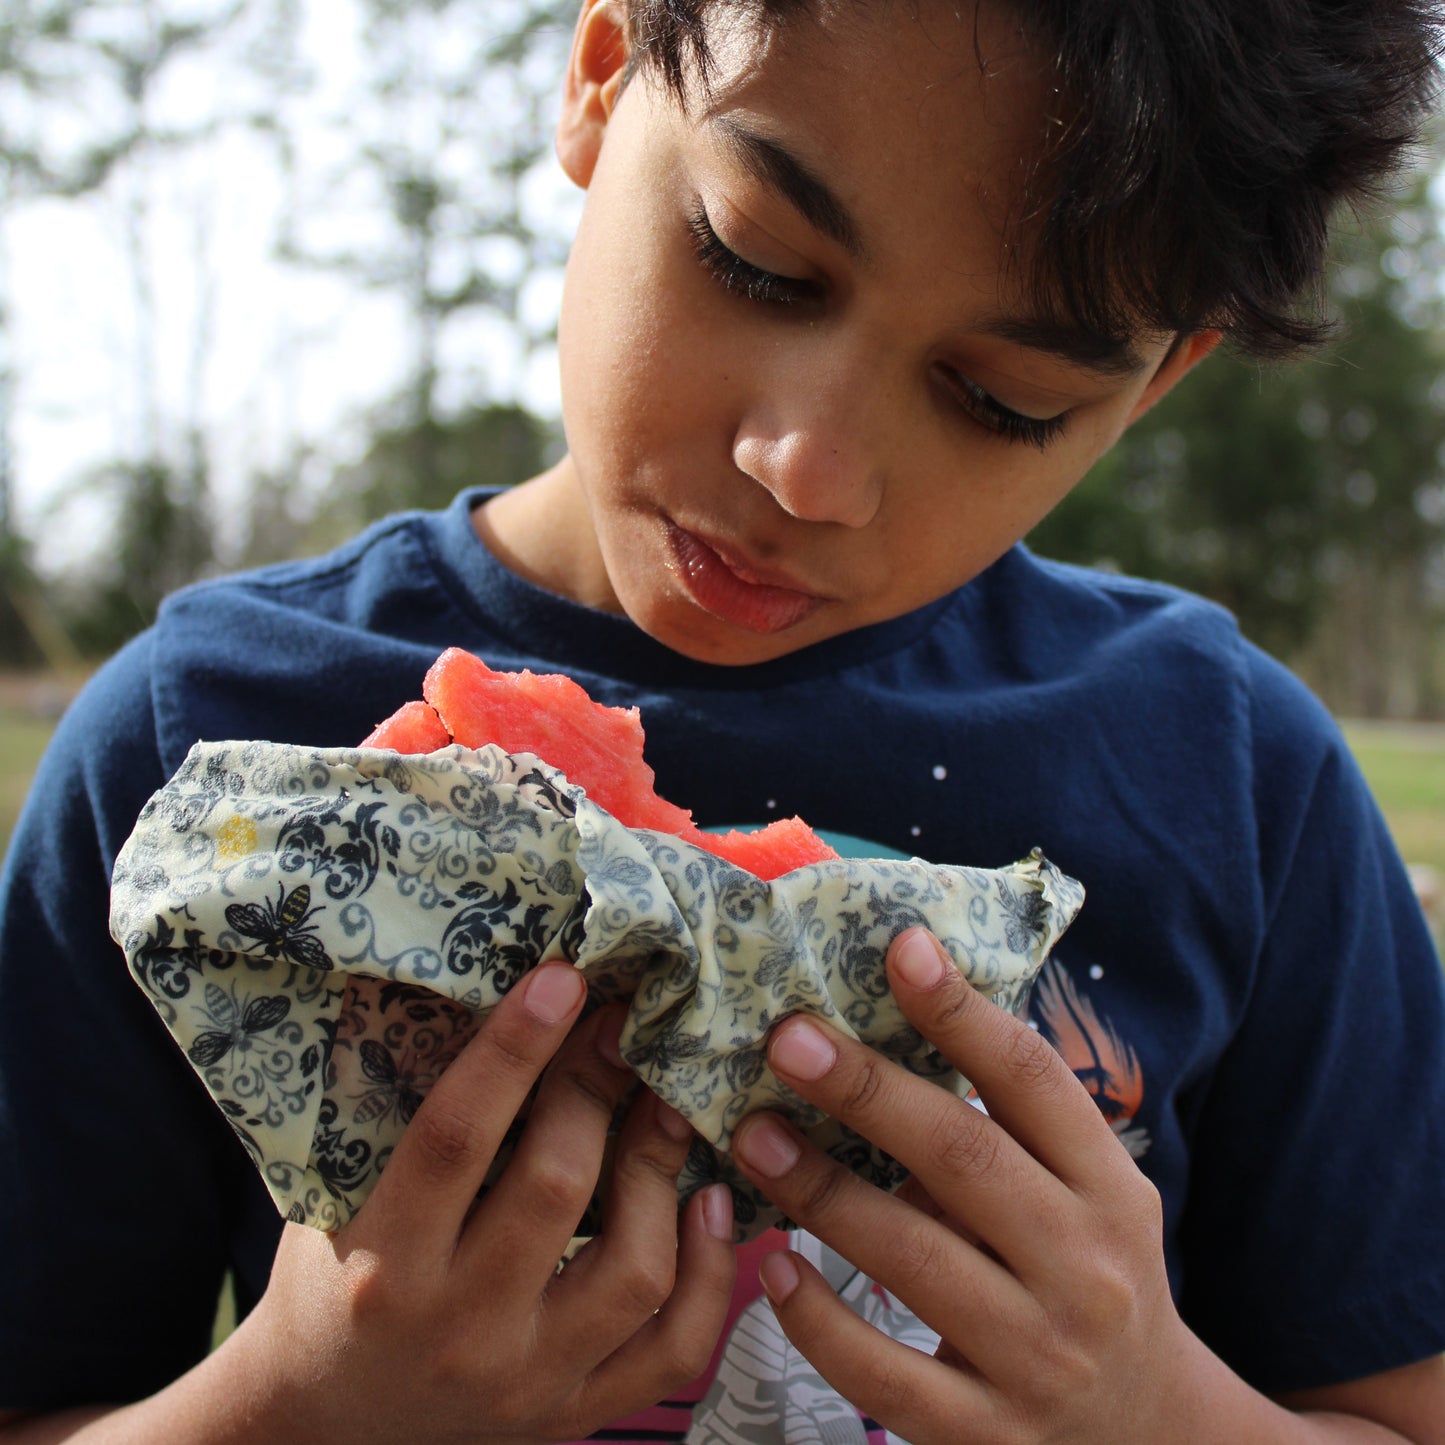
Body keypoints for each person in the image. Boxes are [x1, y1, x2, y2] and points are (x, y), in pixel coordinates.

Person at [2, 0, 1444, 1439]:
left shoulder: (1232, 773)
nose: (808, 467)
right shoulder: (202, 751)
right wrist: (290, 1415)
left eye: (1000, 399)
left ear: (1153, 383)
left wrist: (1160, 1416)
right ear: (601, 73)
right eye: (753, 260)